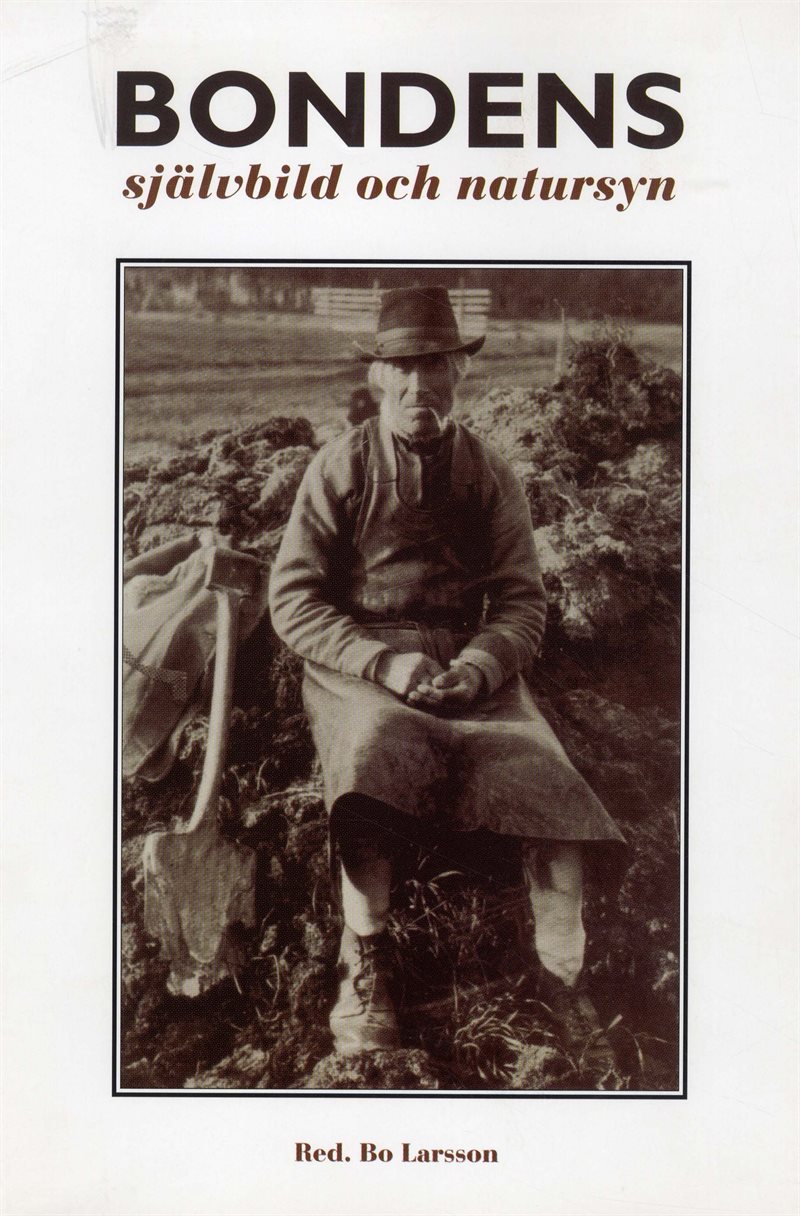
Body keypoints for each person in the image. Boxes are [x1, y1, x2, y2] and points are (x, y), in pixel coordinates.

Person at [269, 287, 625, 1078]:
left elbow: (523, 601)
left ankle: (564, 974)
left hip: (468, 662)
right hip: (362, 662)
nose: (418, 388)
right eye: (402, 368)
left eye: (435, 367)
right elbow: (293, 600)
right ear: (377, 376)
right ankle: (365, 961)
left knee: (548, 775)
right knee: (373, 755)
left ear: (461, 373)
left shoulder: (489, 474)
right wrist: (382, 662)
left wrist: (482, 665)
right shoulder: (342, 467)